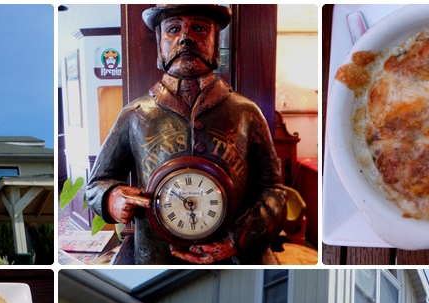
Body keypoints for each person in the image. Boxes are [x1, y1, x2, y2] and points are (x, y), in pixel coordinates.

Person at [86, 3, 286, 265]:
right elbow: (97, 183)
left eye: (200, 28)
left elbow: (273, 192)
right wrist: (111, 198)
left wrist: (238, 241)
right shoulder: (135, 115)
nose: (186, 37)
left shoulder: (246, 113)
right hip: (154, 257)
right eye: (173, 29)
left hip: (230, 261)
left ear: (216, 40)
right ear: (159, 41)